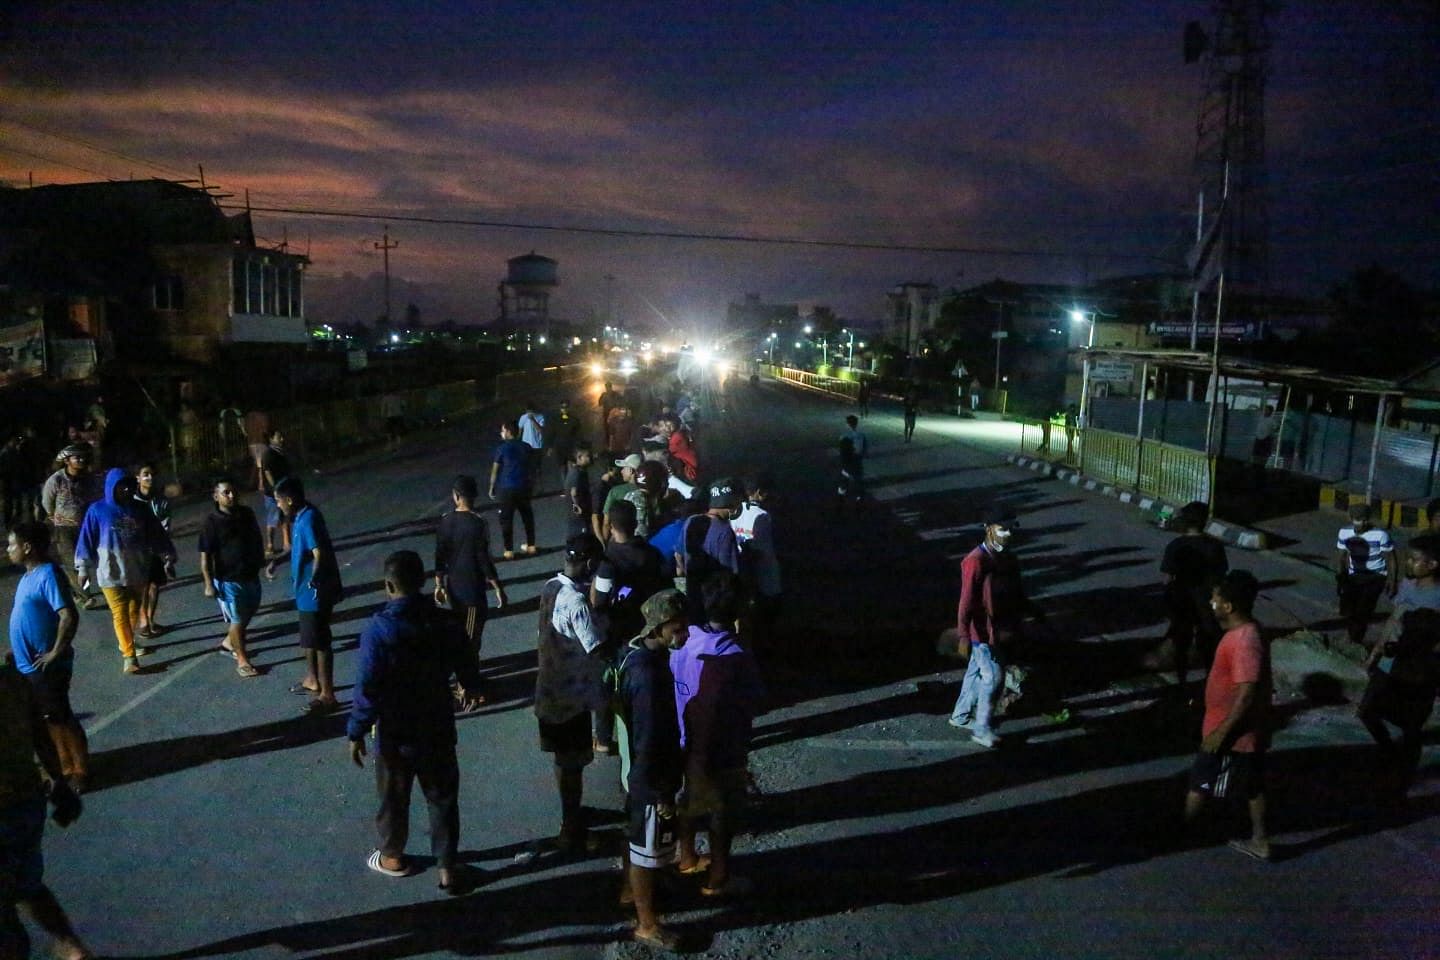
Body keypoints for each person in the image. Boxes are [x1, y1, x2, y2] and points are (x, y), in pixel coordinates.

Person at [348, 550, 483, 892]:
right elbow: (466, 662)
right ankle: (447, 868)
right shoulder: (445, 622)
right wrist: (470, 687)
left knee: (394, 795)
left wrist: (356, 730)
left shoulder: (379, 629)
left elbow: (367, 685)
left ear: (387, 585)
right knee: (441, 798)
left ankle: (393, 855)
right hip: (436, 722)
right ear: (422, 582)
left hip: (395, 729)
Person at [671, 571, 765, 898]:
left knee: (687, 799)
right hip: (720, 748)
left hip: (684, 738)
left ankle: (686, 856)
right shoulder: (734, 656)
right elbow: (753, 701)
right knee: (721, 810)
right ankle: (718, 877)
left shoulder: (686, 639)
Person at [0, 660, 90, 960]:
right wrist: (61, 787)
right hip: (26, 803)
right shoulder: (11, 680)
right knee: (27, 885)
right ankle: (70, 945)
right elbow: (41, 735)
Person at [614, 590, 689, 951]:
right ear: (659, 627)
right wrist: (662, 794)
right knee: (646, 851)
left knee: (635, 839)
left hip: (635, 773)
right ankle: (647, 924)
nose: (684, 635)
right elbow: (649, 739)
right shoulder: (648, 677)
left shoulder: (632, 655)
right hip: (649, 780)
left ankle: (630, 891)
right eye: (678, 628)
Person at [1184, 570, 1272, 861]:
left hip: (1230, 733)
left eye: (1215, 599)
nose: (1211, 603)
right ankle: (1259, 838)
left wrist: (1222, 731)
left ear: (1228, 607)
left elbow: (1247, 692)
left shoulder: (1245, 641)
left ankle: (1180, 834)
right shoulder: (1240, 635)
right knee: (1249, 785)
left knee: (1201, 782)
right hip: (1235, 730)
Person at [534, 535, 608, 853]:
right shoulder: (576, 602)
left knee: (563, 761)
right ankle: (571, 827)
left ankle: (572, 813)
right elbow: (595, 647)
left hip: (547, 691)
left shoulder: (551, 586)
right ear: (590, 565)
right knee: (573, 763)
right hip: (570, 697)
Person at [1357, 533, 1440, 796]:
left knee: (1411, 726)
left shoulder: (1438, 598)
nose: (1408, 563)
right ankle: (1389, 753)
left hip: (1418, 670)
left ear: (1432, 565)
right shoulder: (1407, 585)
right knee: (1367, 711)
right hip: (1390, 663)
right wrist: (1376, 652)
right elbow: (1394, 619)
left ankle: (1402, 778)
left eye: (1415, 560)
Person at [6, 522, 87, 793]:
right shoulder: (27, 577)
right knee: (47, 719)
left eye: (12, 544)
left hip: (48, 665)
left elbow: (68, 615)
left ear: (27, 547)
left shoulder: (48, 574)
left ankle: (79, 769)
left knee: (60, 716)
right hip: (28, 665)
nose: (8, 550)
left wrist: (55, 652)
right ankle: (63, 767)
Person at [74, 468, 176, 675]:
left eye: (128, 485)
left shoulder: (140, 509)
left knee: (133, 611)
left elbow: (157, 534)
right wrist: (83, 568)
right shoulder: (97, 510)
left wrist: (168, 556)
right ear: (111, 487)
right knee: (119, 614)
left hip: (137, 572)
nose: (125, 490)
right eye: (120, 486)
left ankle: (127, 642)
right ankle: (129, 657)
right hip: (109, 574)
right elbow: (86, 539)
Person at [948, 504, 1028, 748]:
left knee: (975, 673)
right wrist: (963, 635)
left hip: (1000, 628)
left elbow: (1016, 592)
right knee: (992, 677)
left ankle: (960, 716)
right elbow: (966, 601)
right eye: (1002, 529)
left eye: (1011, 528)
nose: (1008, 534)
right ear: (988, 529)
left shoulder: (1006, 557)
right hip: (980, 632)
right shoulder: (975, 561)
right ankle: (982, 729)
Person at [591, 500, 666, 755]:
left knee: (608, 683)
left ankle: (603, 737)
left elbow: (598, 601)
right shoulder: (652, 554)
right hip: (646, 629)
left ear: (610, 525)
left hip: (615, 632)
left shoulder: (607, 561)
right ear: (635, 523)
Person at [434, 475, 507, 705]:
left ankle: (467, 682)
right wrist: (497, 587)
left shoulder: (445, 522)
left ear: (455, 497)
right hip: (473, 592)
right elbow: (483, 559)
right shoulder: (478, 523)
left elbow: (440, 556)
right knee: (470, 642)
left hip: (454, 590)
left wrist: (439, 584)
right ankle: (467, 687)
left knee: (461, 637)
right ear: (473, 497)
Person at [276, 476, 344, 713]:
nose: (278, 505)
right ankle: (312, 678)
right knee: (308, 637)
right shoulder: (302, 517)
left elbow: (318, 552)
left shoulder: (308, 520)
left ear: (290, 500)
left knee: (320, 640)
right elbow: (300, 549)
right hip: (305, 593)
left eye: (279, 501)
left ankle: (328, 694)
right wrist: (278, 560)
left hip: (314, 592)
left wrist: (315, 577)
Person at [197, 477, 266, 679]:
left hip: (250, 575)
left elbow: (256, 538)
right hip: (228, 580)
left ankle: (229, 643)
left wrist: (263, 561)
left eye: (233, 491)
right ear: (216, 496)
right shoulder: (211, 522)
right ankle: (242, 660)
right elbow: (205, 556)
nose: (231, 495)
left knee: (249, 612)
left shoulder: (246, 514)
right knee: (237, 620)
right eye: (226, 492)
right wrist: (209, 583)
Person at [1160, 501, 1229, 685]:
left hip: (1181, 600)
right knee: (1208, 641)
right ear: (1205, 521)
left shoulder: (1176, 545)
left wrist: (1167, 600)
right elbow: (1221, 577)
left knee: (1181, 642)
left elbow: (1167, 578)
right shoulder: (1215, 546)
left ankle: (1181, 680)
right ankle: (1210, 678)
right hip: (1207, 601)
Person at [39, 444, 102, 610]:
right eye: (76, 458)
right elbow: (47, 502)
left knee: (86, 560)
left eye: (82, 457)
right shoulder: (56, 480)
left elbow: (96, 496)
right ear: (67, 461)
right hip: (63, 528)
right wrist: (54, 517)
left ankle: (77, 590)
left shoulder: (88, 479)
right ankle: (84, 596)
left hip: (85, 526)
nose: (80, 460)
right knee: (70, 562)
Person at [676, 478, 742, 622]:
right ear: (732, 504)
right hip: (714, 606)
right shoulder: (725, 532)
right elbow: (730, 575)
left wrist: (689, 575)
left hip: (692, 595)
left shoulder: (691, 521)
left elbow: (678, 555)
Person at [732, 472, 782, 657]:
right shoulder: (762, 516)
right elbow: (766, 548)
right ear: (760, 493)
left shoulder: (735, 511)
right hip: (765, 576)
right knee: (767, 618)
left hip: (742, 573)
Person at [1336, 503, 1396, 646]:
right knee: (1350, 610)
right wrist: (1340, 577)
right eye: (1356, 519)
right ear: (1350, 518)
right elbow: (1341, 557)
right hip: (1354, 576)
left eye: (1363, 519)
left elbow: (1390, 558)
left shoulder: (1381, 535)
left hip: (1375, 577)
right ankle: (1351, 635)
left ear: (1368, 519)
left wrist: (1391, 580)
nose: (1360, 523)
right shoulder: (1344, 533)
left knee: (1364, 610)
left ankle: (1355, 640)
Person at [132, 462, 175, 640]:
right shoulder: (133, 501)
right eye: (145, 474)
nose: (149, 477)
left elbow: (166, 525)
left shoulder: (161, 501)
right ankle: (143, 622)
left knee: (155, 585)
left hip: (156, 547)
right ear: (138, 478)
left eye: (151, 474)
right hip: (138, 550)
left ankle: (150, 619)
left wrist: (166, 551)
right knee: (143, 586)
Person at [489, 420, 536, 559]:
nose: (501, 433)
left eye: (502, 430)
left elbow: (495, 470)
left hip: (507, 488)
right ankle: (531, 545)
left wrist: (492, 487)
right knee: (527, 517)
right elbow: (532, 467)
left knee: (506, 519)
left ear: (508, 432)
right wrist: (532, 484)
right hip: (523, 486)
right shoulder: (526, 447)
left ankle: (509, 550)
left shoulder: (501, 449)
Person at [259, 428, 292, 573]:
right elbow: (267, 473)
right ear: (272, 438)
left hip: (283, 488)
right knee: (273, 518)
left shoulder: (281, 452)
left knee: (286, 516)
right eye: (279, 437)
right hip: (273, 492)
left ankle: (287, 542)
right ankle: (270, 545)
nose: (282, 439)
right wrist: (275, 489)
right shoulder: (268, 454)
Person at [563, 441, 595, 539]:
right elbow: (574, 492)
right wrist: (577, 506)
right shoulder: (577, 473)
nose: (590, 458)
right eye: (587, 456)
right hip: (579, 515)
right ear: (579, 457)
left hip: (576, 514)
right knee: (581, 536)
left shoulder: (576, 471)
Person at [518, 399, 547, 494]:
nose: (529, 412)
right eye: (527, 410)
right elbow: (519, 431)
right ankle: (529, 488)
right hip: (526, 446)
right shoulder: (523, 418)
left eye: (530, 410)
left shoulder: (540, 417)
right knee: (527, 468)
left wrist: (533, 420)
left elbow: (541, 431)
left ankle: (540, 488)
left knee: (537, 468)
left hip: (537, 446)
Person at [840, 415, 867, 499]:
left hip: (849, 461)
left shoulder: (844, 436)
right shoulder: (861, 435)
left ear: (848, 424)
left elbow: (843, 450)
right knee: (858, 480)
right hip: (858, 460)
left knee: (845, 480)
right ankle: (859, 498)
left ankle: (841, 497)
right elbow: (865, 449)